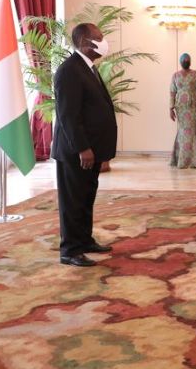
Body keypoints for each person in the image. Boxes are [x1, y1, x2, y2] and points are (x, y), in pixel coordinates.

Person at [52, 23, 117, 267]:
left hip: (91, 149)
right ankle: (70, 250)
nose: (104, 41)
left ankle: (84, 240)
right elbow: (68, 115)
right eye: (99, 38)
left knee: (86, 196)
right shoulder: (69, 70)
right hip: (76, 151)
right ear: (84, 42)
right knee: (73, 201)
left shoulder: (87, 68)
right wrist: (82, 148)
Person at [169, 53, 196, 169]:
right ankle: (181, 160)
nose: (185, 61)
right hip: (180, 109)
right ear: (180, 62)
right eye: (183, 60)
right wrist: (171, 108)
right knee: (182, 131)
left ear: (190, 62)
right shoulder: (175, 75)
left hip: (193, 108)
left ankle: (194, 161)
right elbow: (172, 92)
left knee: (193, 131)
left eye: (187, 60)